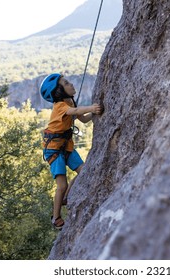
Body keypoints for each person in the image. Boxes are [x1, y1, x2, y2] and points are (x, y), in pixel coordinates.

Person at [40, 73, 102, 230]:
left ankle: (66, 197)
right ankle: (56, 217)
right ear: (59, 91)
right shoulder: (61, 106)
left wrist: (93, 113)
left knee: (85, 171)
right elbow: (75, 112)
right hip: (53, 150)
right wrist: (92, 107)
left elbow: (84, 118)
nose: (71, 84)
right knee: (61, 185)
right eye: (66, 83)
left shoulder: (70, 102)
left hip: (66, 147)